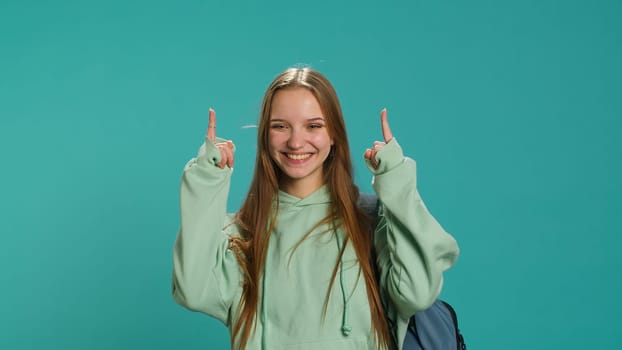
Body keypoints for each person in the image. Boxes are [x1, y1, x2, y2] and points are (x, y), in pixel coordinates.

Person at [172, 67, 459, 350]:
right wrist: (207, 179)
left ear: (334, 134)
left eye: (313, 126)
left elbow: (416, 293)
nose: (296, 141)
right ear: (265, 136)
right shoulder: (243, 232)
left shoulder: (372, 220)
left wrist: (396, 181)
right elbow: (194, 292)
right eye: (280, 126)